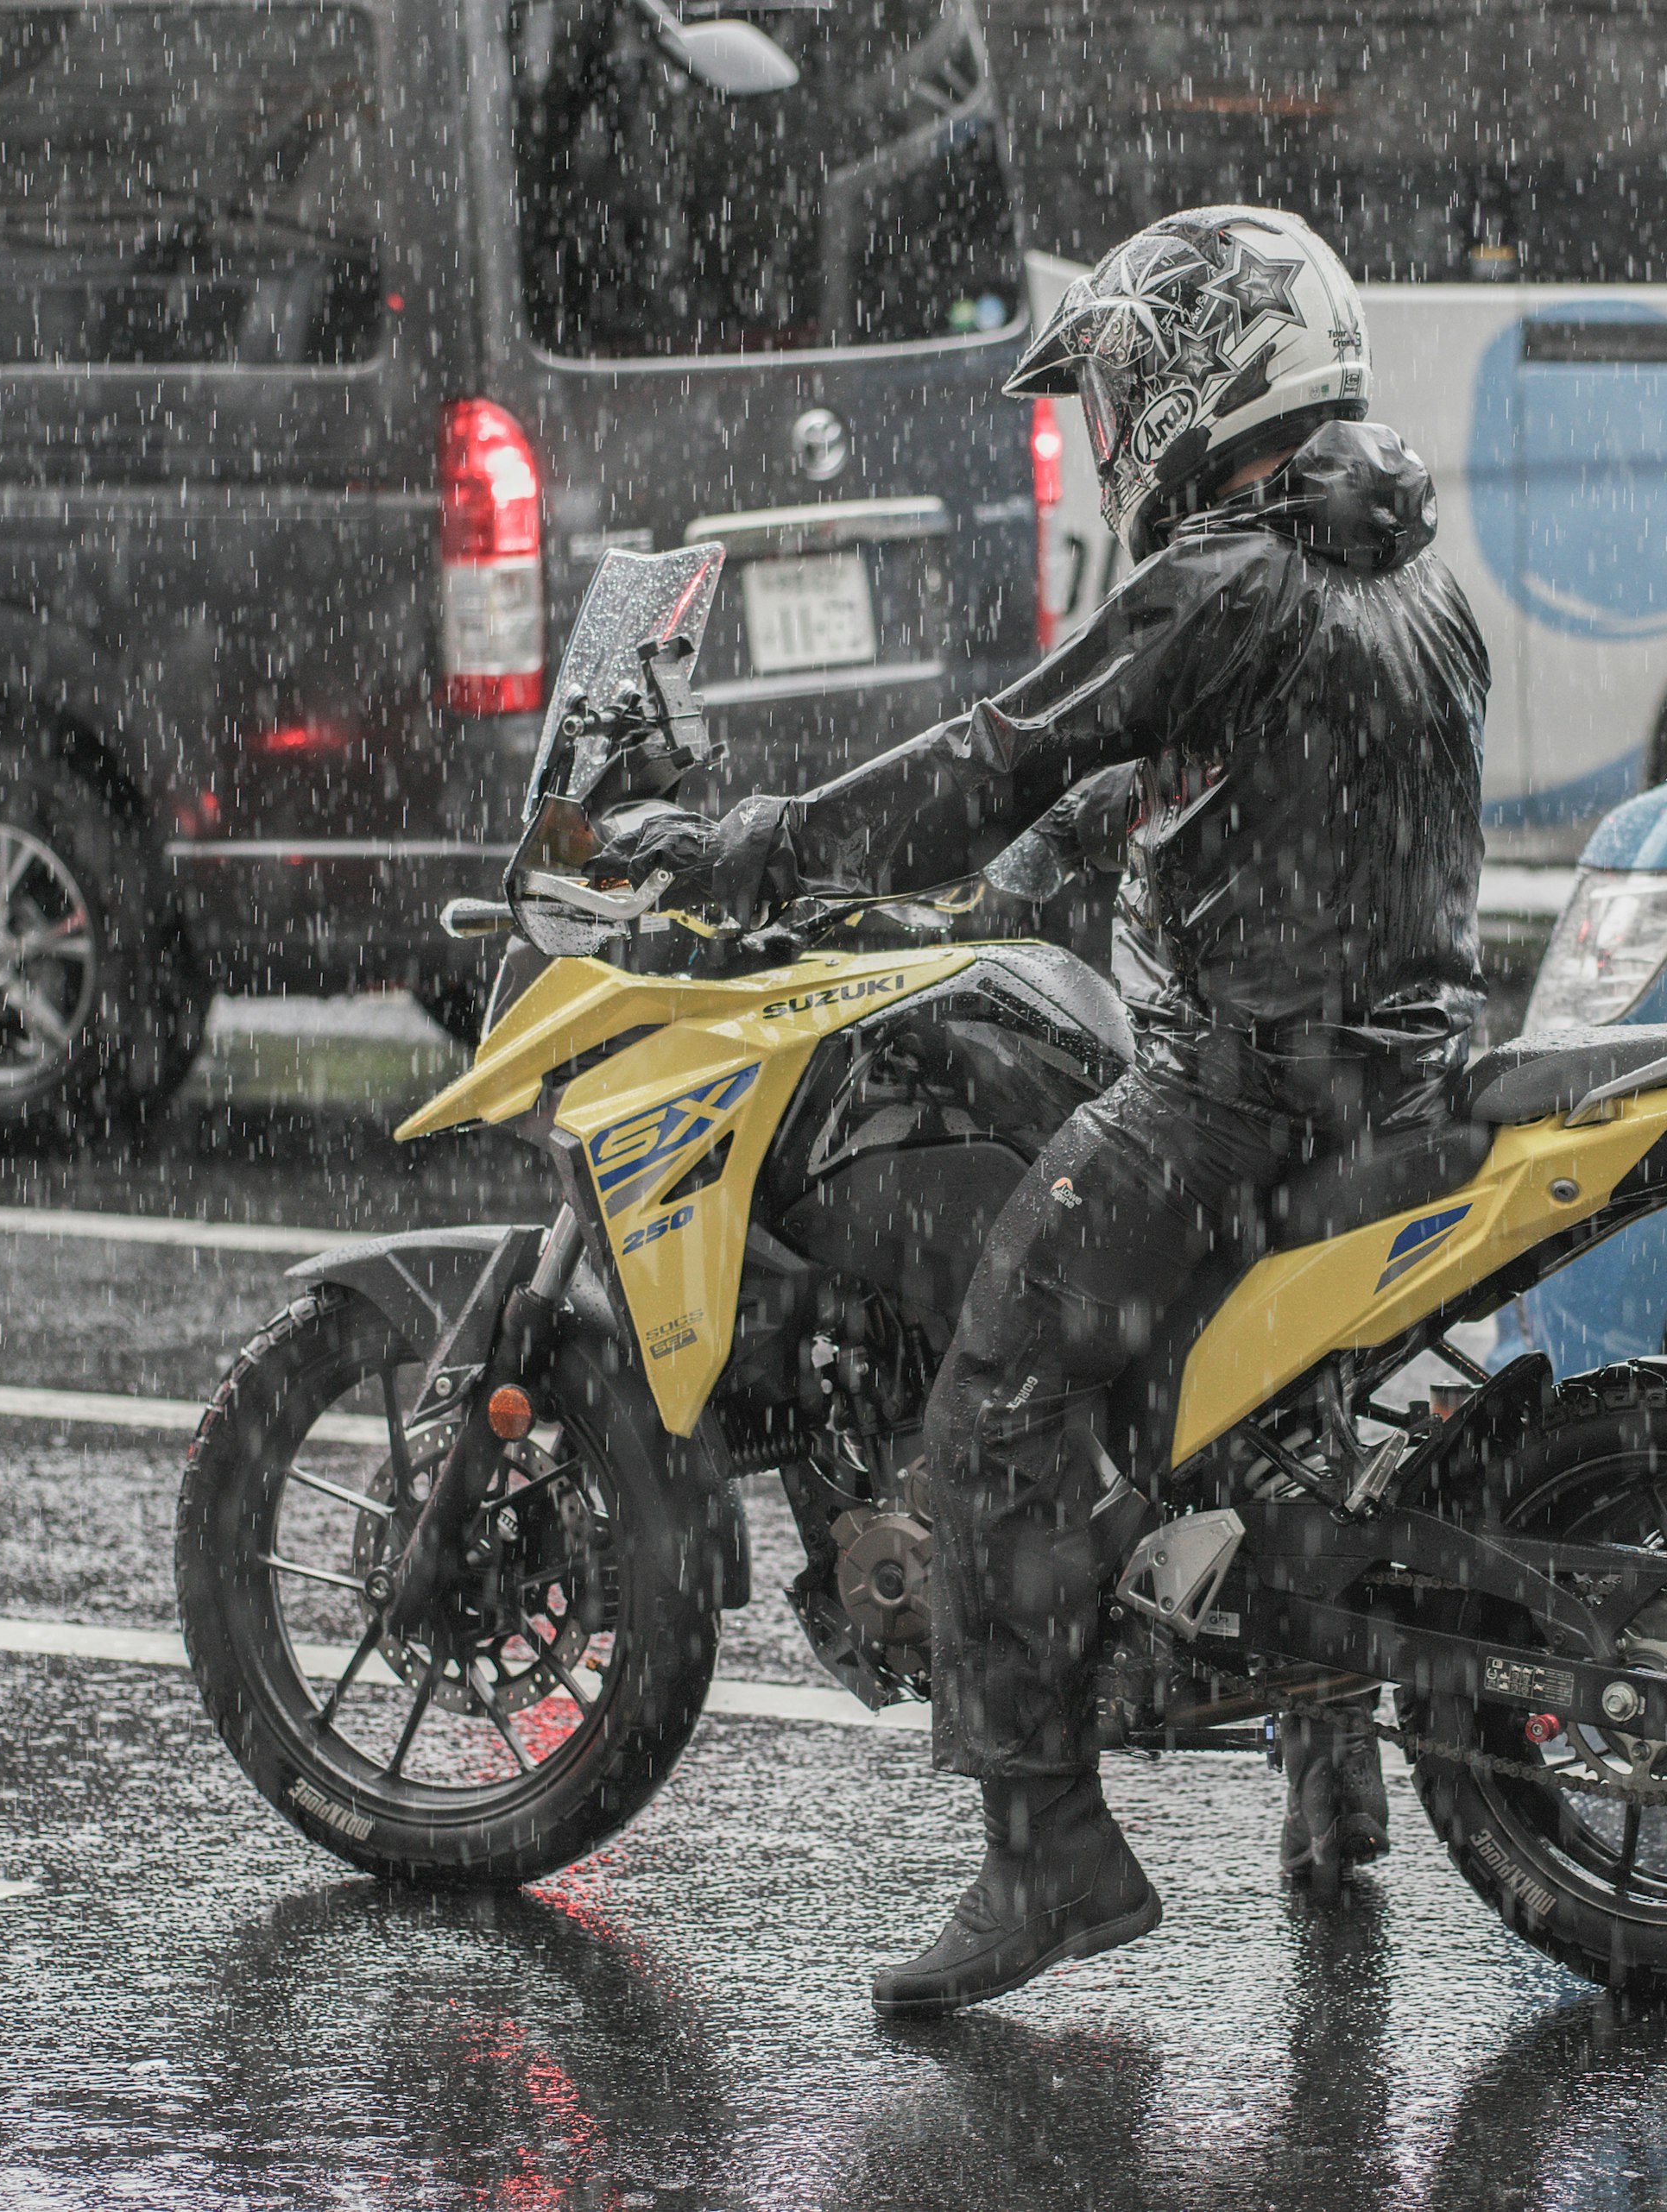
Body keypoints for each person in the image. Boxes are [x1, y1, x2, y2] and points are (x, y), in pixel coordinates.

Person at [588, 205, 1491, 2013]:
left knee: (996, 1395)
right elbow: (1169, 791)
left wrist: (767, 849)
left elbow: (1009, 743)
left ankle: (1043, 1857)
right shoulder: (1384, 560)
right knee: (1233, 1403)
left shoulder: (1231, 571)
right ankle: (1331, 1756)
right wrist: (996, 889)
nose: (1101, 437)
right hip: (1392, 1068)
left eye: (1117, 394)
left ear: (1189, 380)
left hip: (1252, 1092)